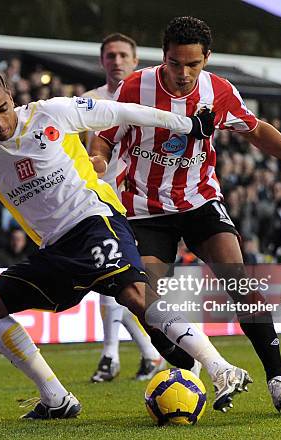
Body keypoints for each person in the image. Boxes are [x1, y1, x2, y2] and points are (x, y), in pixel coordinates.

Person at [0, 69, 252, 419]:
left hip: (95, 220)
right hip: (56, 248)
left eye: (1, 110)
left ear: (11, 99)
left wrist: (187, 124)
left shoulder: (52, 113)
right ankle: (56, 398)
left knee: (134, 294)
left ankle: (220, 369)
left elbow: (122, 110)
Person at [90, 16, 281, 411]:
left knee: (239, 282)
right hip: (144, 209)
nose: (183, 74)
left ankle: (277, 378)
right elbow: (105, 135)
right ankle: (194, 369)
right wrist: (98, 159)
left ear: (207, 58)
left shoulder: (218, 91)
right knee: (148, 305)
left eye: (193, 64)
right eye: (176, 64)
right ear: (164, 57)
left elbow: (256, 129)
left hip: (200, 201)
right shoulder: (135, 86)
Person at [83, 33, 166, 384]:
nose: (116, 61)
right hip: (97, 199)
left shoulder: (149, 100)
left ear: (135, 60)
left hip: (137, 202)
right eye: (110, 55)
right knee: (114, 280)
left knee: (121, 281)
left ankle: (120, 356)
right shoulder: (87, 102)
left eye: (123, 55)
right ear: (102, 61)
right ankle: (138, 354)